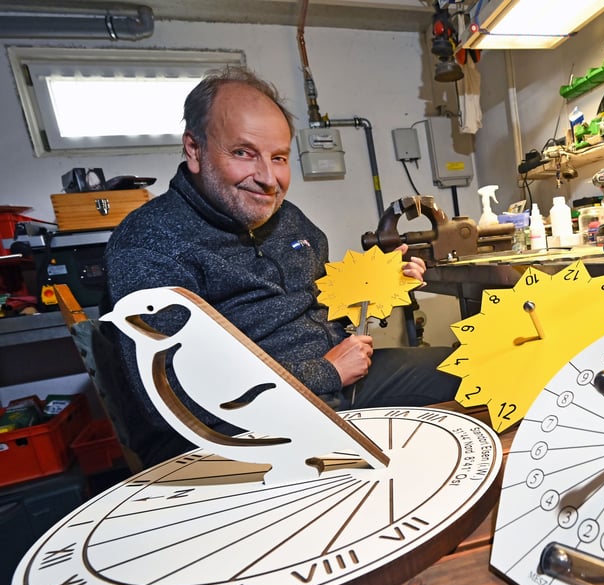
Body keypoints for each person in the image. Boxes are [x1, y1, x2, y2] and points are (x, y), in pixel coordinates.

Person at [103, 65, 459, 468]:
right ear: (194, 150)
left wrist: (381, 285)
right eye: (243, 153)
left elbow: (325, 304)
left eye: (278, 157)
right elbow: (172, 397)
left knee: (476, 369)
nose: (269, 179)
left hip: (341, 384)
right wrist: (323, 373)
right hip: (244, 427)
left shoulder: (290, 220)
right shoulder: (151, 243)